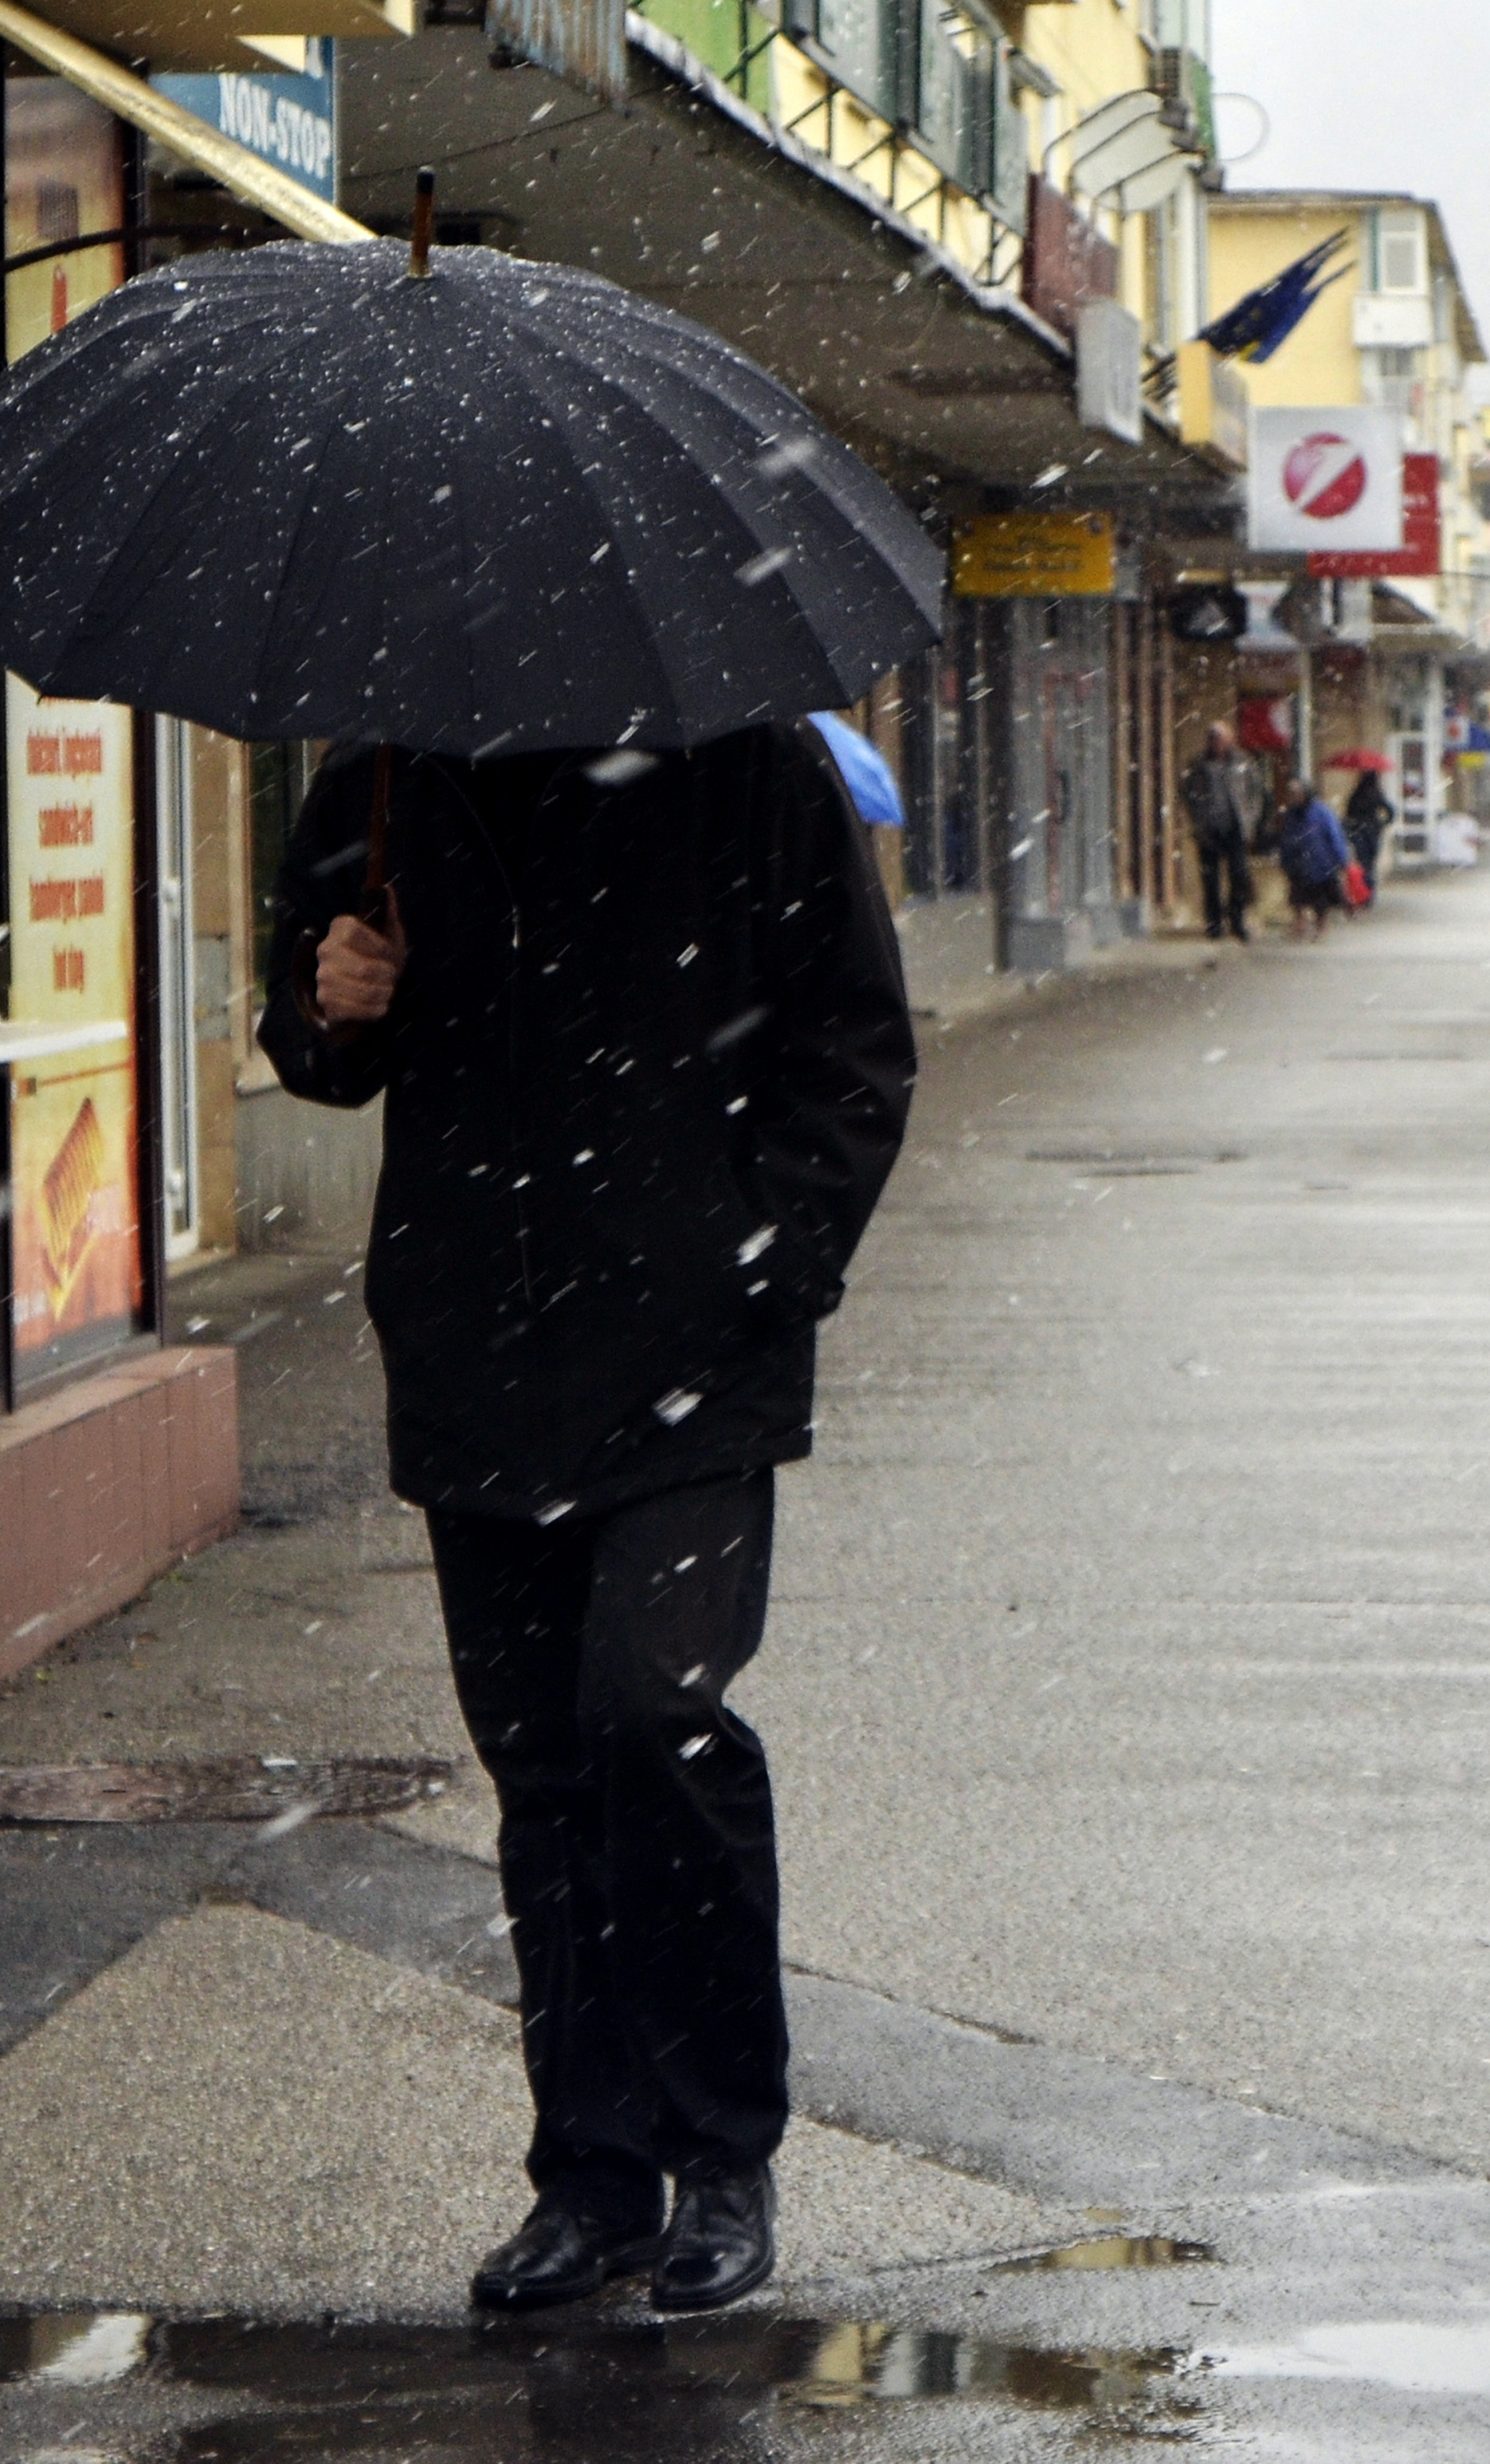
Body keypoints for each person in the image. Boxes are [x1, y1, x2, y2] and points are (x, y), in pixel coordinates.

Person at [261, 723, 912, 2322]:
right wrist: (328, 1003)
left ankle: (723, 2155)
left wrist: (766, 1263)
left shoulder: (749, 759)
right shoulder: (391, 774)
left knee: (652, 1718)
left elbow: (854, 1043)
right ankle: (591, 2182)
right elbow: (318, 1040)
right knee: (545, 1766)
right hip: (480, 1342)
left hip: (694, 1359)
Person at [1181, 736, 1253, 942]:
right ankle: (1214, 924)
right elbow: (1188, 793)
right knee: (1210, 879)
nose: (1216, 744)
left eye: (1220, 740)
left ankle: (1237, 921)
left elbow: (1254, 791)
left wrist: (1250, 818)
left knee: (1239, 876)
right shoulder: (1199, 765)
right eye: (1212, 740)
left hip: (1235, 828)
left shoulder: (1241, 762)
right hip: (1209, 829)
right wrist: (1198, 818)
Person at [1271, 771, 1353, 941]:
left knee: (1320, 900)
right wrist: (1285, 859)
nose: (1294, 797)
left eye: (1297, 793)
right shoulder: (1291, 814)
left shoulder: (1321, 812)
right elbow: (1287, 837)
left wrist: (1342, 859)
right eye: (1291, 794)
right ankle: (1299, 924)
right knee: (1297, 896)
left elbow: (1334, 836)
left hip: (1320, 863)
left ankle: (1321, 927)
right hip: (1298, 862)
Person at [1342, 769, 1397, 905]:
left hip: (1359, 833)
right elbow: (1390, 811)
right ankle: (1369, 894)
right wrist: (1382, 823)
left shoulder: (1356, 794)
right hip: (1373, 833)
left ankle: (1363, 893)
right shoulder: (1377, 794)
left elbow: (1349, 814)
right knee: (1370, 865)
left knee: (1363, 863)